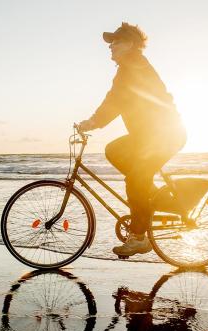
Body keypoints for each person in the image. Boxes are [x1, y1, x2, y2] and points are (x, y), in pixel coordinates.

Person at [78, 22, 186, 257]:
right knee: (115, 151)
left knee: (136, 178)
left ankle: (139, 237)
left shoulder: (133, 66)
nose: (111, 47)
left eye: (116, 41)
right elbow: (115, 99)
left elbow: (115, 100)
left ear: (130, 44)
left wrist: (93, 122)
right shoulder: (128, 67)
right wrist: (94, 121)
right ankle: (154, 197)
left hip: (163, 135)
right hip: (148, 136)